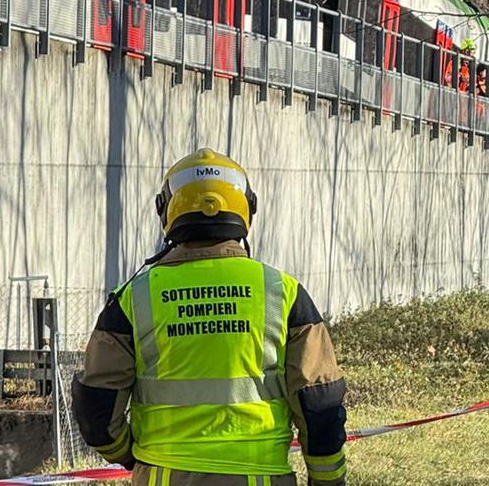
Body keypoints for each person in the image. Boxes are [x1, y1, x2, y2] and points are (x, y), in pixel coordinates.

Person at [72, 148, 348, 486]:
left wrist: (128, 455)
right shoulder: (283, 293)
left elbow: (96, 410)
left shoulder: (134, 298)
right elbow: (320, 404)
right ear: (248, 209)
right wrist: (327, 479)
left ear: (167, 211)